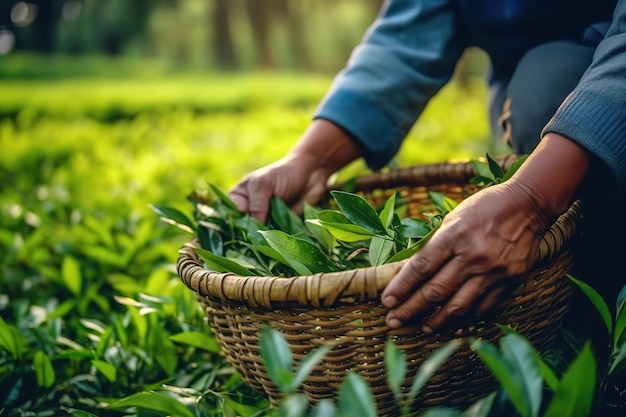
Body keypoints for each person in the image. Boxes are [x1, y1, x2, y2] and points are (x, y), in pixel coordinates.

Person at [228, 0, 626, 334]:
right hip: (530, 78)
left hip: (595, 74)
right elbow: (405, 40)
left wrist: (533, 197)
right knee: (540, 88)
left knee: (547, 90)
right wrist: (310, 160)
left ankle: (601, 311)